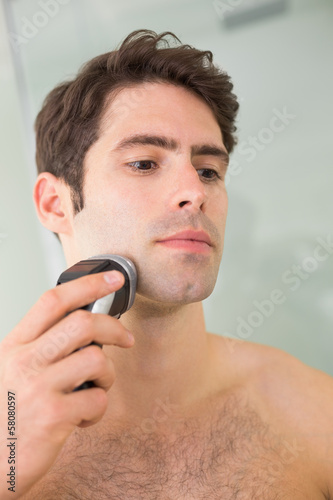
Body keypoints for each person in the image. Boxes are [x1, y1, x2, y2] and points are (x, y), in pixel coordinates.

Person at [1, 29, 332, 499]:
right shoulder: (6, 425)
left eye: (208, 171)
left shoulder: (311, 411)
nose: (194, 192)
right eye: (144, 163)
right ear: (55, 203)